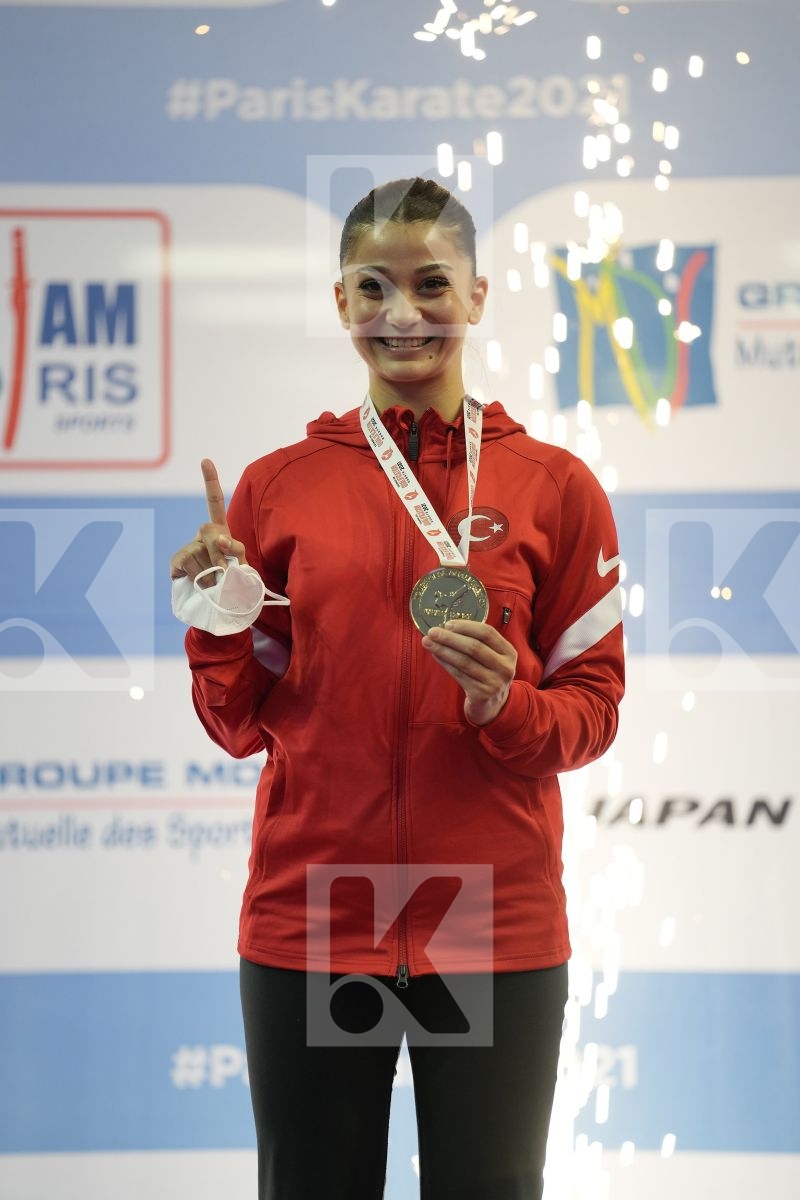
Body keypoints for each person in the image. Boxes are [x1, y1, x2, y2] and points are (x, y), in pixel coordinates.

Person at [170, 176, 625, 1200]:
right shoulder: (278, 487)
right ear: (340, 303)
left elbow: (591, 709)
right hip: (320, 905)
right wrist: (217, 620)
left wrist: (503, 707)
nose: (402, 314)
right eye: (373, 287)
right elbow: (236, 725)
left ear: (475, 296)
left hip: (488, 911)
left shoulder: (554, 487)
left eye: (430, 285)